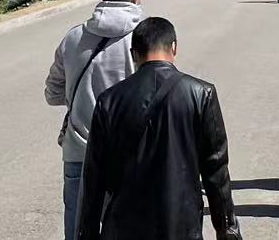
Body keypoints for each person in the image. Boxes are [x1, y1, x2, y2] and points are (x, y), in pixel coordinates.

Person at [76, 16, 242, 240]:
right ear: (174, 47)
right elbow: (216, 171)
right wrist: (227, 229)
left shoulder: (109, 100)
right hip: (181, 226)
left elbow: (94, 178)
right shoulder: (202, 94)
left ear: (134, 54)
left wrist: (87, 233)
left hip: (124, 226)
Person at [44, 0, 146, 240]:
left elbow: (52, 93)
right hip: (128, 155)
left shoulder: (73, 38)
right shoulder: (144, 39)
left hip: (79, 151)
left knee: (77, 228)